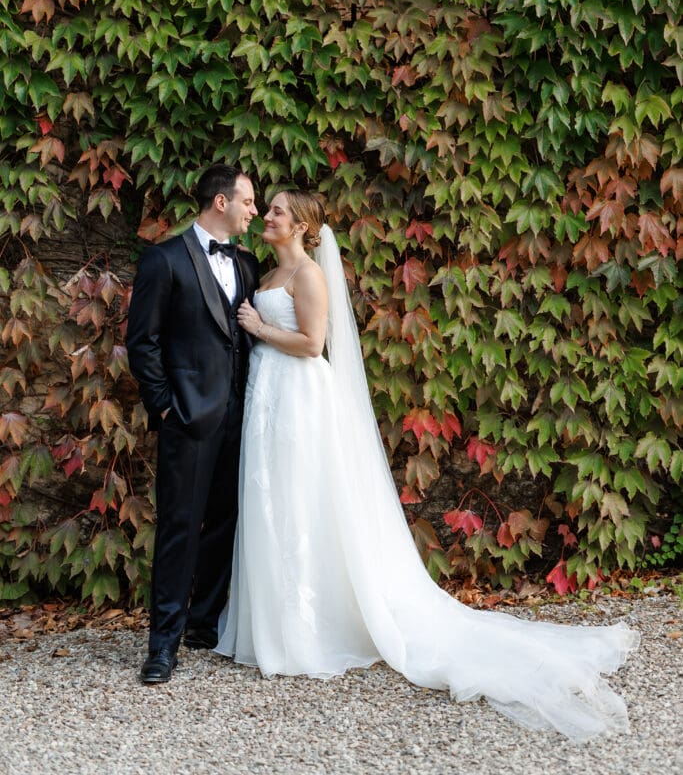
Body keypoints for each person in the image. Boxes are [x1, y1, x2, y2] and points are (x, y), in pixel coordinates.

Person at [215, 188, 639, 742]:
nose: (266, 216)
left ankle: (307, 630)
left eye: (276, 211)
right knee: (269, 496)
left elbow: (313, 343)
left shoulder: (308, 275)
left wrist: (259, 329)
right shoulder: (267, 274)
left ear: (300, 225)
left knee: (299, 501)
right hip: (268, 394)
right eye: (266, 208)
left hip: (298, 396)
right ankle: (270, 626)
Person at [126, 164, 259, 684]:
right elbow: (143, 342)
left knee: (226, 521)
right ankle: (163, 644)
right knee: (179, 528)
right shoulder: (164, 259)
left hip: (241, 417)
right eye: (248, 201)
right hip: (186, 417)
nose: (254, 211)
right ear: (221, 202)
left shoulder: (247, 264)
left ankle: (204, 623)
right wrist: (164, 406)